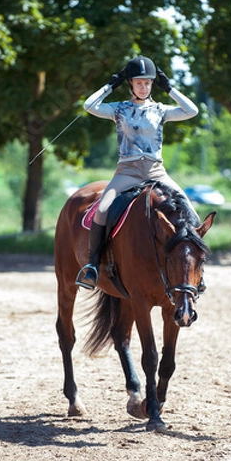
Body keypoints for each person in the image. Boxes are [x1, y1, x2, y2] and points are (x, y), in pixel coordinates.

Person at [76, 55, 199, 290]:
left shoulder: (161, 110)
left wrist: (169, 88)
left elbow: (191, 110)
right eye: (139, 82)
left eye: (148, 83)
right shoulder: (119, 109)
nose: (144, 87)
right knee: (102, 209)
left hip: (156, 171)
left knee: (191, 212)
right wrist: (111, 84)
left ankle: (194, 267)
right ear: (131, 84)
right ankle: (92, 265)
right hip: (127, 172)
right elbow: (89, 106)